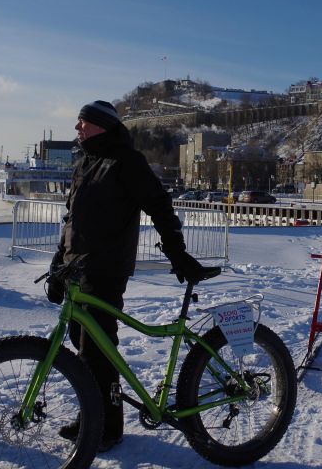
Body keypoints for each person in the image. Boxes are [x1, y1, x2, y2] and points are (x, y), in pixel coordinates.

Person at [46, 100, 205, 452]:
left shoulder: (125, 161)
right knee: (84, 344)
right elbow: (71, 219)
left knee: (97, 350)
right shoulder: (85, 162)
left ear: (102, 125)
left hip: (105, 268)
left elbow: (160, 205)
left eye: (83, 122)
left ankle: (104, 427)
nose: (77, 128)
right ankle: (97, 415)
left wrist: (176, 251)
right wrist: (59, 263)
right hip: (76, 267)